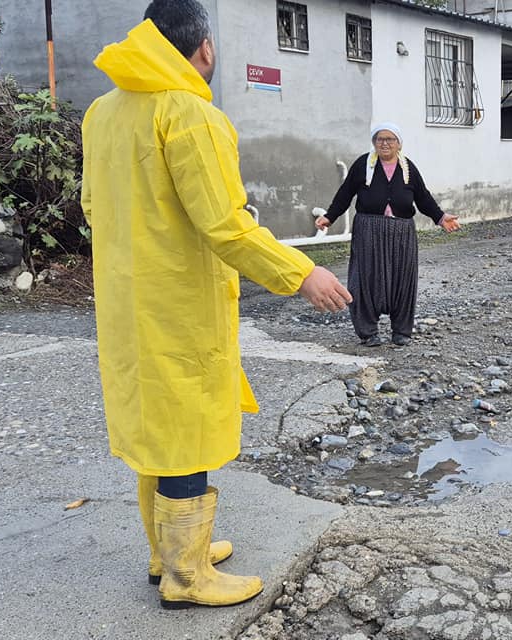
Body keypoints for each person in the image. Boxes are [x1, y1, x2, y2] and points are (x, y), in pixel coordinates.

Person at [80, 0, 352, 609]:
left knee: (156, 424)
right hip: (178, 302)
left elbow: (94, 209)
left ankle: (169, 552)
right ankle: (186, 578)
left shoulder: (101, 113)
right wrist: (301, 273)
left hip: (127, 302)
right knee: (185, 430)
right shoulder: (191, 114)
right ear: (204, 48)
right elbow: (225, 225)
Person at [317, 124, 460, 347]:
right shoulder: (363, 164)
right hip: (368, 229)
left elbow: (422, 197)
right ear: (374, 143)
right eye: (380, 139)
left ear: (398, 144)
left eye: (390, 139)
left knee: (402, 278)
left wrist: (441, 217)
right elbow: (346, 192)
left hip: (401, 232)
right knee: (365, 277)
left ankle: (401, 331)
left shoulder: (408, 167)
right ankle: (368, 332)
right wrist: (330, 216)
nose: (385, 143)